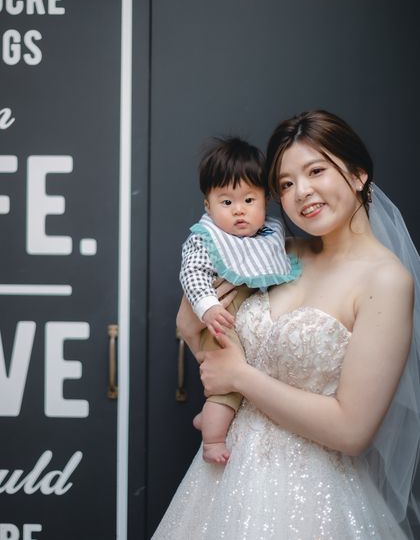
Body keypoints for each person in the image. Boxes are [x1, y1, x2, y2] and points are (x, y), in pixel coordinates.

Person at [153, 110, 420, 539]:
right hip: (226, 477)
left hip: (314, 494)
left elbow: (352, 430)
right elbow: (192, 326)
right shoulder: (276, 254)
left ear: (357, 175)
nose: (302, 192)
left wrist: (240, 377)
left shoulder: (386, 281)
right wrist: (198, 316)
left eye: (316, 171)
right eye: (286, 183)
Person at [180, 137, 301, 463]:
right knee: (227, 391)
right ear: (208, 206)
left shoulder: (271, 237)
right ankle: (213, 440)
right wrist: (208, 307)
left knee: (240, 382)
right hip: (223, 321)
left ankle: (209, 416)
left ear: (266, 201)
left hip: (252, 332)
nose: (239, 210)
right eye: (226, 202)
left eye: (249, 199)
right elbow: (192, 274)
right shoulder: (207, 239)